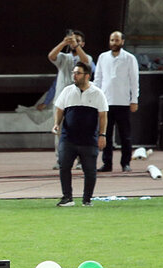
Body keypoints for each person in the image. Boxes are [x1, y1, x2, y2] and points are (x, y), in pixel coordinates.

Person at [54, 61, 108, 207]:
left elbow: (103, 116)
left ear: (87, 76)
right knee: (64, 166)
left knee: (90, 170)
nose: (74, 76)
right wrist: (56, 124)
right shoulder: (67, 91)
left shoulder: (97, 93)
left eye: (78, 73)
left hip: (88, 139)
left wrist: (102, 135)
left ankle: (87, 199)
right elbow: (59, 109)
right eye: (74, 73)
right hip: (68, 138)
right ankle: (67, 198)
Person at [94, 31, 138, 172]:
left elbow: (134, 81)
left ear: (122, 41)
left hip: (123, 102)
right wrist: (95, 99)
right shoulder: (103, 57)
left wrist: (134, 100)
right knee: (105, 134)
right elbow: (98, 79)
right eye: (112, 40)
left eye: (117, 40)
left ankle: (126, 163)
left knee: (125, 135)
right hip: (105, 102)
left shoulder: (129, 58)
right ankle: (107, 163)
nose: (114, 42)